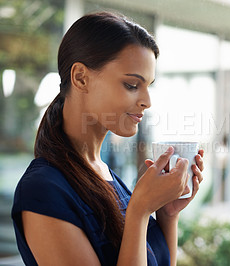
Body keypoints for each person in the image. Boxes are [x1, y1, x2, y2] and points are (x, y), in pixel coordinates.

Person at [11, 11, 204, 266]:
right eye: (132, 85)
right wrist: (139, 210)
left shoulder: (106, 176)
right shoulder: (44, 190)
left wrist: (167, 214)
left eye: (149, 86)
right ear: (81, 77)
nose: (147, 101)